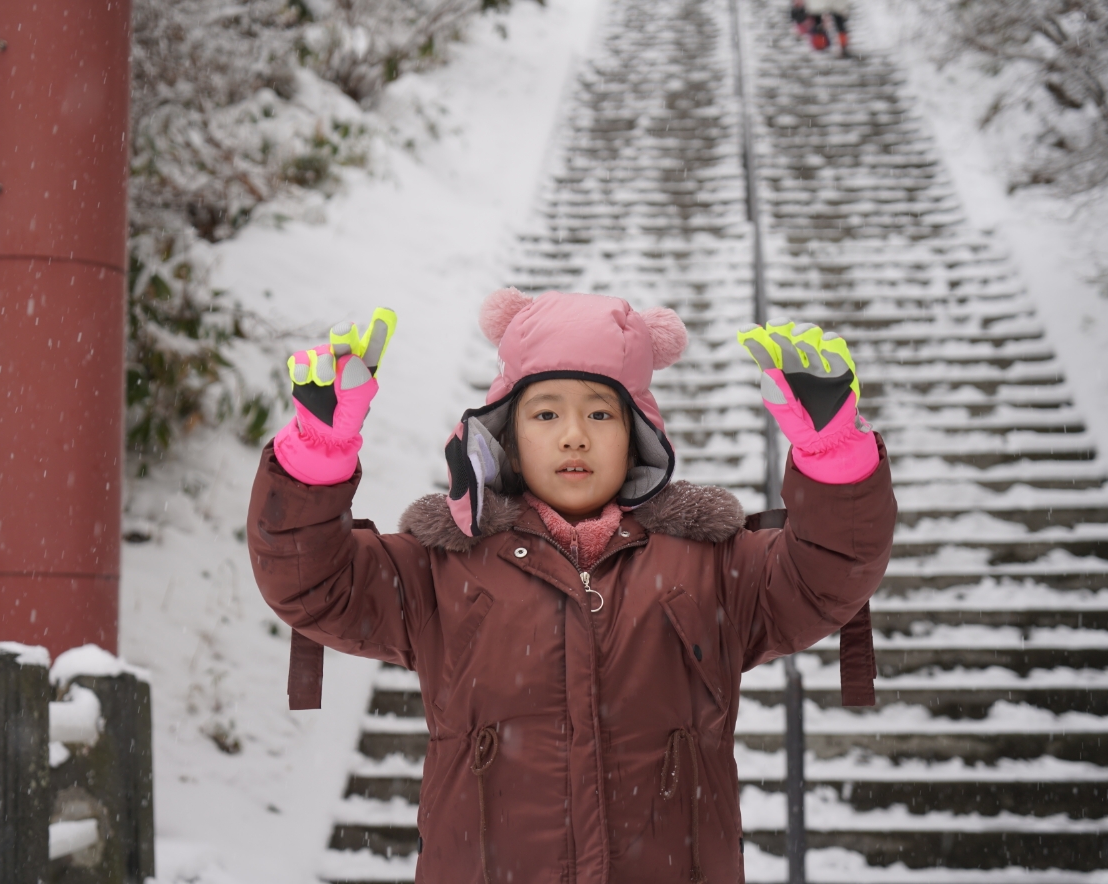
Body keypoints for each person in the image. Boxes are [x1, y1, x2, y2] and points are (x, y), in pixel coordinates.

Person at [247, 290, 896, 883]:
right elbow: (316, 586)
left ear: (637, 435)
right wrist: (315, 455)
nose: (573, 434)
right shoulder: (444, 566)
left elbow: (826, 574)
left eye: (599, 414)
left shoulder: (710, 565)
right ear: (504, 434)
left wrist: (833, 459)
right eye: (546, 412)